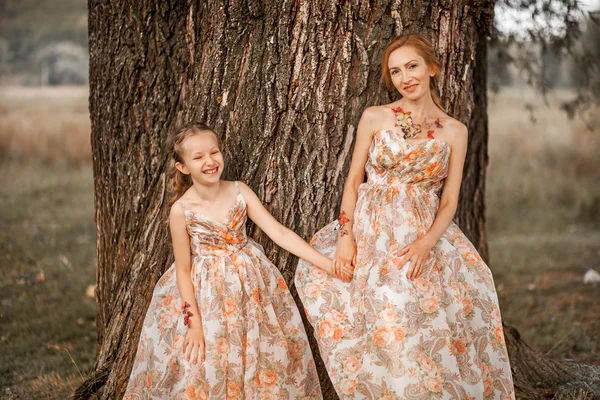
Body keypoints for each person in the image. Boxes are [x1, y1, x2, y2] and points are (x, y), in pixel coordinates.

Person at [295, 33, 515, 399]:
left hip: (420, 232)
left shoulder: (455, 131)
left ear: (432, 68)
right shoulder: (376, 117)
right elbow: (353, 180)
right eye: (395, 72)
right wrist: (346, 237)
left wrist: (426, 244)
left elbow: (449, 202)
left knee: (429, 314)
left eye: (412, 66)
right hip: (371, 229)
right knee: (384, 309)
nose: (405, 77)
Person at [124, 122, 347, 399]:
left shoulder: (239, 191)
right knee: (211, 360)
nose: (209, 161)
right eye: (198, 157)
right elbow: (182, 270)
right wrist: (193, 323)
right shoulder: (181, 210)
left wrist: (327, 264)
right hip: (208, 293)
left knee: (260, 351)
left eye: (214, 152)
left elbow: (278, 232)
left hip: (250, 284)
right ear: (182, 167)